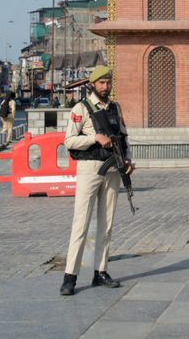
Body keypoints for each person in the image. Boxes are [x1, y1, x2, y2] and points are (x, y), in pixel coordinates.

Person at [60, 66, 133, 296]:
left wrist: (129, 160)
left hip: (113, 170)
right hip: (90, 169)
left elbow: (124, 137)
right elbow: (69, 140)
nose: (105, 86)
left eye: (108, 82)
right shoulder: (81, 108)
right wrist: (94, 138)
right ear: (93, 84)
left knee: (107, 223)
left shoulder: (115, 108)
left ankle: (101, 271)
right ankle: (70, 276)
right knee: (80, 223)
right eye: (101, 83)